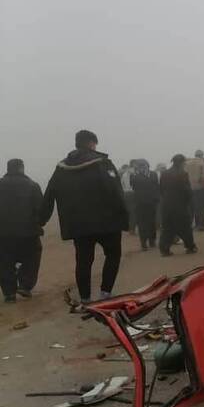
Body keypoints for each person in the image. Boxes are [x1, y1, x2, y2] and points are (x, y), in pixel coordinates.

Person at [41, 130, 128, 304]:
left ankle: (85, 298)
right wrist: (125, 215)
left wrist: (41, 220)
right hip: (107, 222)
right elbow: (115, 192)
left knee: (83, 261)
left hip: (78, 225)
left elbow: (49, 194)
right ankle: (105, 293)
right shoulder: (103, 163)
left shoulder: (61, 168)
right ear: (92, 143)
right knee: (113, 255)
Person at [0, 159, 43, 303]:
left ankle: (9, 293)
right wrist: (39, 224)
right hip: (29, 232)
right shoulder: (32, 186)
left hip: (3, 233)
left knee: (5, 261)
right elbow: (41, 209)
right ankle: (25, 285)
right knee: (32, 257)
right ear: (22, 168)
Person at [159, 154, 197, 256]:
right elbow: (187, 190)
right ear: (181, 163)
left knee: (167, 228)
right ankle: (190, 246)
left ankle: (164, 249)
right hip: (180, 205)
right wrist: (189, 200)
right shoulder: (183, 174)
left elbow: (161, 189)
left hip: (166, 205)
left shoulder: (164, 173)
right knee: (185, 227)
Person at [131, 160, 159, 251]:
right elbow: (134, 187)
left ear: (148, 166)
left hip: (151, 202)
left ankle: (152, 240)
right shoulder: (134, 176)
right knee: (142, 223)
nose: (142, 167)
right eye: (141, 166)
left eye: (144, 165)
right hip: (140, 203)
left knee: (151, 222)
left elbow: (156, 186)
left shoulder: (153, 174)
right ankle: (143, 243)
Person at [185, 149, 204, 230]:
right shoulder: (202, 163)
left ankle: (192, 224)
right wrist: (203, 186)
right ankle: (201, 225)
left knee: (192, 207)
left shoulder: (187, 163)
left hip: (189, 188)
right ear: (202, 155)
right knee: (200, 207)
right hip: (199, 188)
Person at [119, 161, 137, 234]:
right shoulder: (134, 172)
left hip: (125, 193)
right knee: (133, 212)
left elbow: (121, 184)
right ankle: (132, 229)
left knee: (128, 212)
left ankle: (129, 228)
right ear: (133, 164)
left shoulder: (124, 174)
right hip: (132, 193)